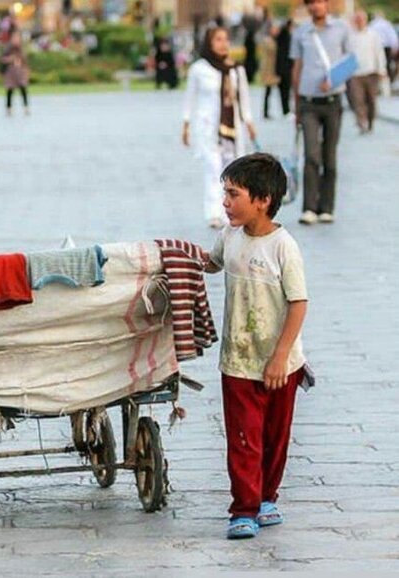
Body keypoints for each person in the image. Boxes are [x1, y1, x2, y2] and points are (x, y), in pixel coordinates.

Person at [205, 153, 309, 540]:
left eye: (234, 194)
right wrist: (179, 259)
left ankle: (267, 497)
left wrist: (280, 357)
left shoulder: (284, 247)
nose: (225, 202)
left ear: (263, 200)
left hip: (281, 362)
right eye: (225, 193)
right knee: (243, 437)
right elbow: (212, 262)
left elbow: (298, 303)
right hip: (238, 359)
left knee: (275, 438)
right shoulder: (229, 236)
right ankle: (244, 508)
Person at [182, 27, 256, 229]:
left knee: (232, 171)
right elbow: (189, 98)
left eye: (226, 39)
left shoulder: (236, 69)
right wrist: (186, 124)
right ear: (209, 43)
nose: (223, 44)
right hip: (208, 128)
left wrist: (249, 122)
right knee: (213, 168)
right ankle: (213, 212)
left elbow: (244, 98)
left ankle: (229, 212)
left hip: (233, 128)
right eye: (218, 40)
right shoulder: (200, 69)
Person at [290, 0, 351, 226]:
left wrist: (333, 79)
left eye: (320, 1)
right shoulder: (301, 33)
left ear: (327, 4)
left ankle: (327, 208)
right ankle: (309, 208)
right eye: (312, 3)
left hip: (333, 101)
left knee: (329, 156)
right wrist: (296, 105)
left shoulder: (341, 28)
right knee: (311, 155)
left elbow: (352, 61)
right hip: (308, 103)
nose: (316, 6)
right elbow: (296, 68)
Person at [348, 10, 388, 134]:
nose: (359, 21)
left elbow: (379, 52)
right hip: (355, 74)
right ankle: (361, 123)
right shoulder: (349, 36)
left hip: (371, 72)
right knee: (357, 100)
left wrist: (382, 69)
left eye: (361, 19)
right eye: (357, 19)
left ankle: (370, 121)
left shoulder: (373, 35)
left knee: (371, 100)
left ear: (365, 20)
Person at [1, 33, 30, 115]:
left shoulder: (21, 49)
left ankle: (26, 107)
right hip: (11, 72)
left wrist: (26, 71)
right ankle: (9, 108)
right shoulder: (8, 49)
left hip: (20, 71)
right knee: (10, 90)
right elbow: (2, 59)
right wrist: (10, 59)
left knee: (23, 89)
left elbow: (25, 61)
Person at [369, 10, 398, 85]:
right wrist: (394, 46)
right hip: (386, 46)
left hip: (376, 47)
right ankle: (389, 81)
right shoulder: (386, 24)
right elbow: (392, 36)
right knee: (387, 63)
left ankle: (379, 81)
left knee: (377, 63)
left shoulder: (372, 24)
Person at [260, 25, 282, 119]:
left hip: (273, 69)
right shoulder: (268, 41)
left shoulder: (275, 41)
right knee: (268, 92)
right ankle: (265, 112)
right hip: (268, 70)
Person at [275, 20, 295, 116]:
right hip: (285, 69)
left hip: (282, 69)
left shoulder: (280, 39)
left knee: (284, 92)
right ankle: (286, 110)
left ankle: (286, 110)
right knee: (285, 91)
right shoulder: (287, 39)